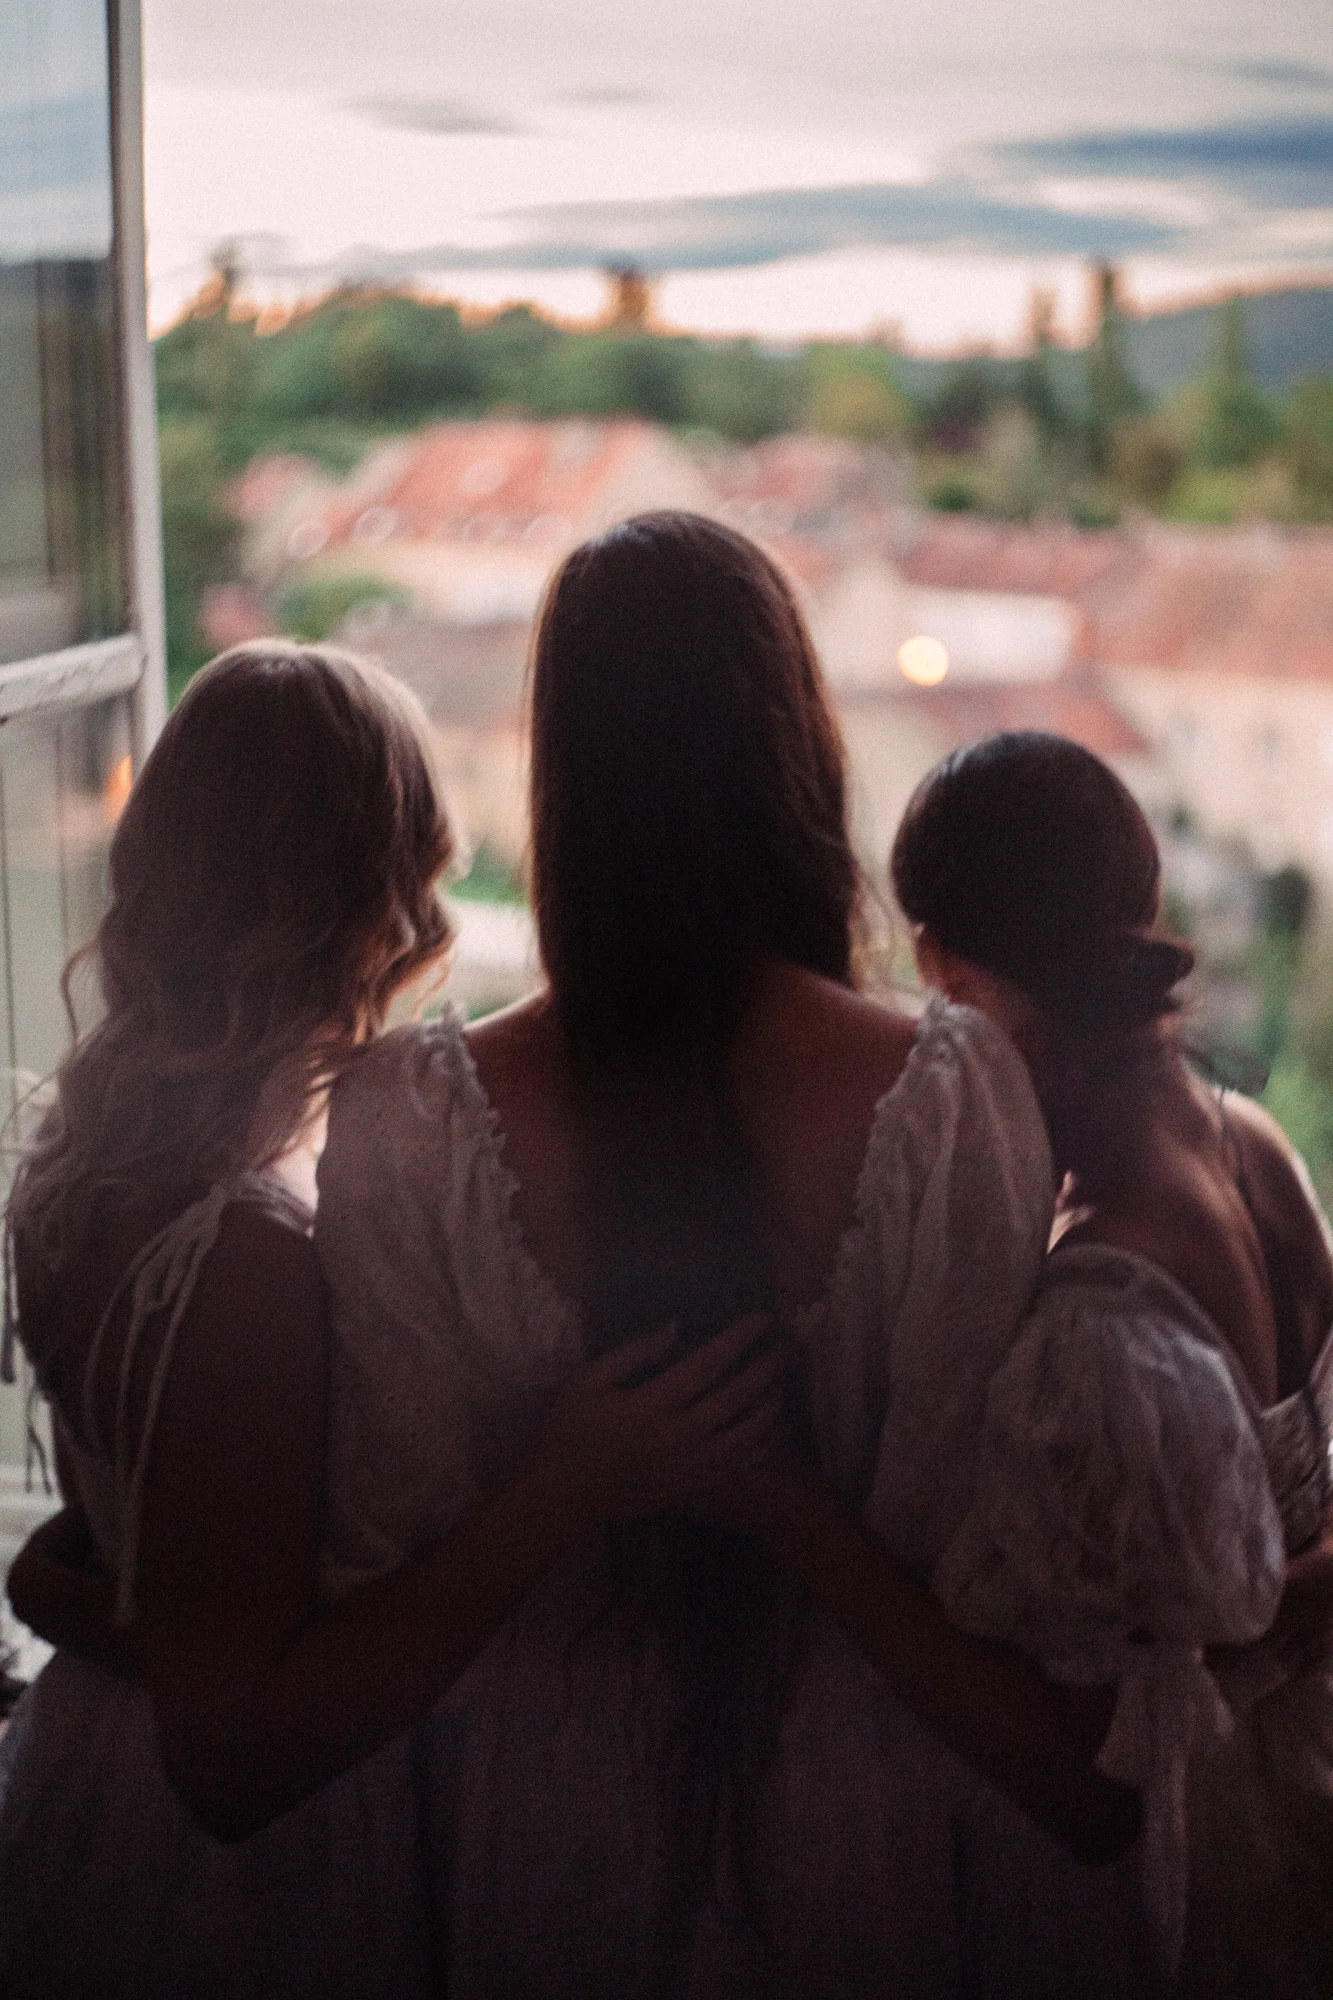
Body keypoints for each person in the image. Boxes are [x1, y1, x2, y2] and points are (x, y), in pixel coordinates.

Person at [309, 514, 1277, 1997]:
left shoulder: (399, 1122)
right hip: (881, 1833)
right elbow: (991, 1578)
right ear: (796, 750)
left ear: (565, 768)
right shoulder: (950, 1095)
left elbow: (378, 1575)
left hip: (536, 1844)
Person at [0, 641, 790, 2000]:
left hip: (94, 1775)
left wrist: (60, 1589)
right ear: (360, 904)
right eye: (416, 877)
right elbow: (233, 1757)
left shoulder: (86, 1168)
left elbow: (145, 1557)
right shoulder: (245, 1254)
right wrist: (565, 1485)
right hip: (241, 1881)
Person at [892, 728, 1333, 1996]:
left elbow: (1100, 1750)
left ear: (957, 978)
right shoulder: (1257, 1146)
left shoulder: (1101, 1298)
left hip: (1198, 1860)